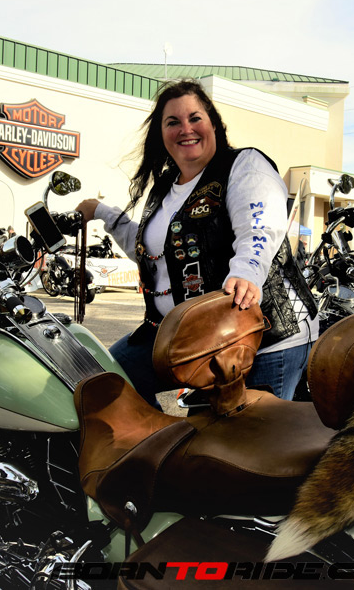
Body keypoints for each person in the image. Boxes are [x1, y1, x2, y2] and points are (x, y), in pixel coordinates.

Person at [75, 79, 318, 406]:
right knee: (108, 380)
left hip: (261, 336)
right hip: (188, 336)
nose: (185, 129)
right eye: (172, 122)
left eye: (195, 118)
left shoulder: (243, 165)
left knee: (243, 434)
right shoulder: (165, 187)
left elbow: (259, 227)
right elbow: (150, 251)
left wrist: (247, 271)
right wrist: (102, 212)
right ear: (161, 134)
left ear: (214, 124)